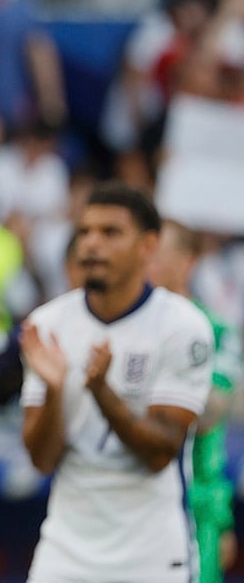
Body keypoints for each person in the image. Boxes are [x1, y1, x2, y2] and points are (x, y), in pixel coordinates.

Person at [20, 182, 215, 582]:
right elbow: (42, 460)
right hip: (65, 551)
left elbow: (159, 453)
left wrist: (101, 392)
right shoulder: (49, 325)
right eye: (85, 232)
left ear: (148, 246)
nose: (91, 244)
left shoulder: (182, 327)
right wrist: (55, 391)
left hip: (151, 554)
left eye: (110, 233)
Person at [147, 219, 242, 583]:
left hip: (196, 504)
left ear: (187, 262)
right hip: (132, 500)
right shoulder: (126, 324)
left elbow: (208, 413)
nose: (148, 263)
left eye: (158, 253)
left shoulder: (217, 330)